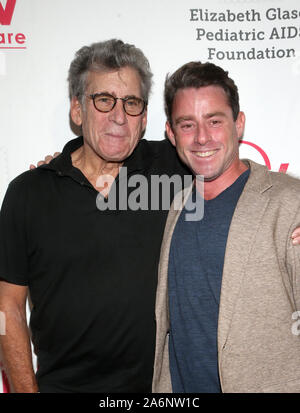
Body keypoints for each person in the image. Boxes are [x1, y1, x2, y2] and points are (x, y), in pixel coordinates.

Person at [0, 39, 191, 393]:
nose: (119, 116)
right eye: (104, 100)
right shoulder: (30, 193)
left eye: (131, 103)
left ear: (145, 117)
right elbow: (6, 305)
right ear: (77, 110)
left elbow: (233, 171)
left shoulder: (174, 173)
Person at [152, 61, 300, 393]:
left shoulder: (289, 204)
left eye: (214, 121)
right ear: (171, 133)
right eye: (187, 124)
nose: (202, 137)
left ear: (239, 123)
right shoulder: (174, 207)